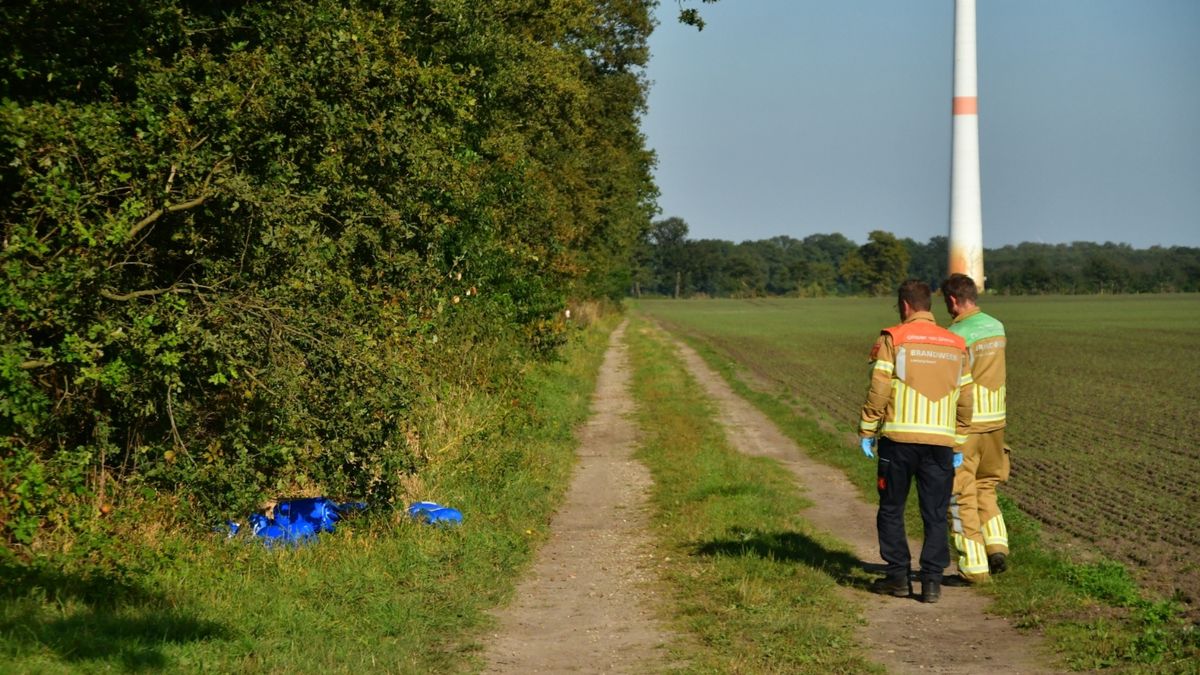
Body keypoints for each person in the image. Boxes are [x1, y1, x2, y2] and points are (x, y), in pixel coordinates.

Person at [858, 279, 973, 603]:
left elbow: (879, 387)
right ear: (930, 305)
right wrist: (959, 439)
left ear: (905, 306)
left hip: (899, 439)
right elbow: (966, 395)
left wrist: (867, 428)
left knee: (892, 508)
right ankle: (932, 582)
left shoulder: (894, 337)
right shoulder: (955, 343)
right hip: (940, 444)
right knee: (935, 512)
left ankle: (898, 577)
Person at [941, 273, 1010, 583]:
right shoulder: (997, 326)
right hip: (997, 420)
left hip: (968, 425)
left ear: (953, 300)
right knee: (987, 485)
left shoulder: (956, 334)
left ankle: (975, 568)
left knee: (961, 494)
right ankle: (998, 546)